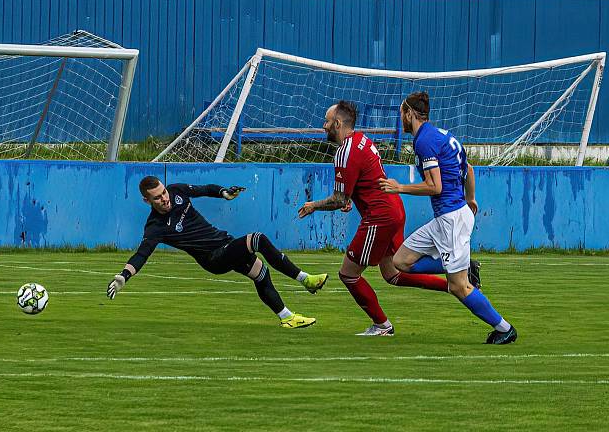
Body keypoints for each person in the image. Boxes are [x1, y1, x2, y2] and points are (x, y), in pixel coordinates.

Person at [298, 101, 476, 336]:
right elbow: (363, 182)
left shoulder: (344, 151)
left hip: (379, 216)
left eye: (327, 122)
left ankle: (382, 325)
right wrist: (349, 198)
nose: (324, 126)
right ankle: (456, 280)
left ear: (338, 123)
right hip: (393, 210)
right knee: (393, 273)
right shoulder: (363, 141)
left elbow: (339, 199)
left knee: (348, 274)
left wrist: (314, 205)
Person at [379, 91, 517, 344]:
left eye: (402, 114)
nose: (401, 120)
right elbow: (470, 169)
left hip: (451, 220)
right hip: (447, 218)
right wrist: (471, 198)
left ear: (410, 113)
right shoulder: (442, 136)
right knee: (401, 261)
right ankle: (464, 266)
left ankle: (504, 328)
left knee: (458, 287)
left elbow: (435, 187)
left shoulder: (424, 142)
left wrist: (399, 188)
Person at [107, 176, 328, 328]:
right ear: (147, 200)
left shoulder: (177, 191)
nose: (164, 198)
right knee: (257, 239)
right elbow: (141, 254)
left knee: (261, 273)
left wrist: (223, 192)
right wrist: (123, 276)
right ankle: (305, 279)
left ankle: (287, 318)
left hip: (225, 243)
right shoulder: (155, 226)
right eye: (157, 197)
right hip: (213, 258)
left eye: (163, 192)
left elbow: (204, 189)